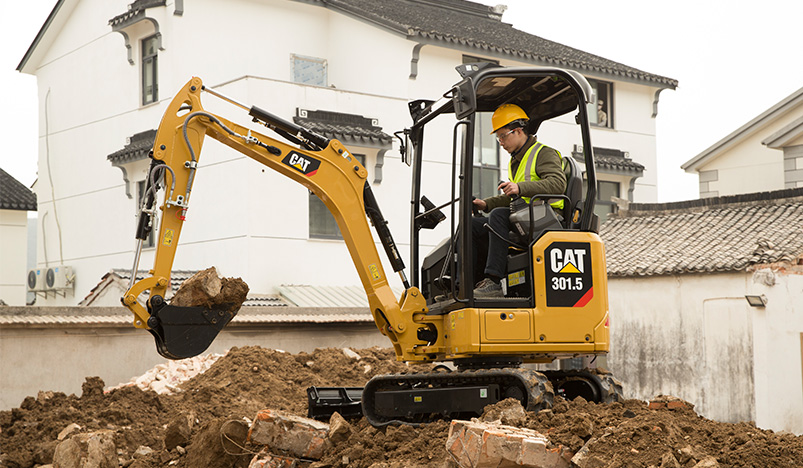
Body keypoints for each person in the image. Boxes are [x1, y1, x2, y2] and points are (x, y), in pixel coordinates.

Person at [471, 104, 566, 298]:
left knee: (498, 216)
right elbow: (514, 198)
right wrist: (486, 204)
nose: (501, 142)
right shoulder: (516, 161)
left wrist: (520, 187)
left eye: (503, 136)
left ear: (518, 131)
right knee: (471, 225)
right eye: (498, 138)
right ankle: (464, 285)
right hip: (524, 214)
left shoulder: (544, 153)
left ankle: (494, 282)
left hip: (547, 217)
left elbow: (558, 184)